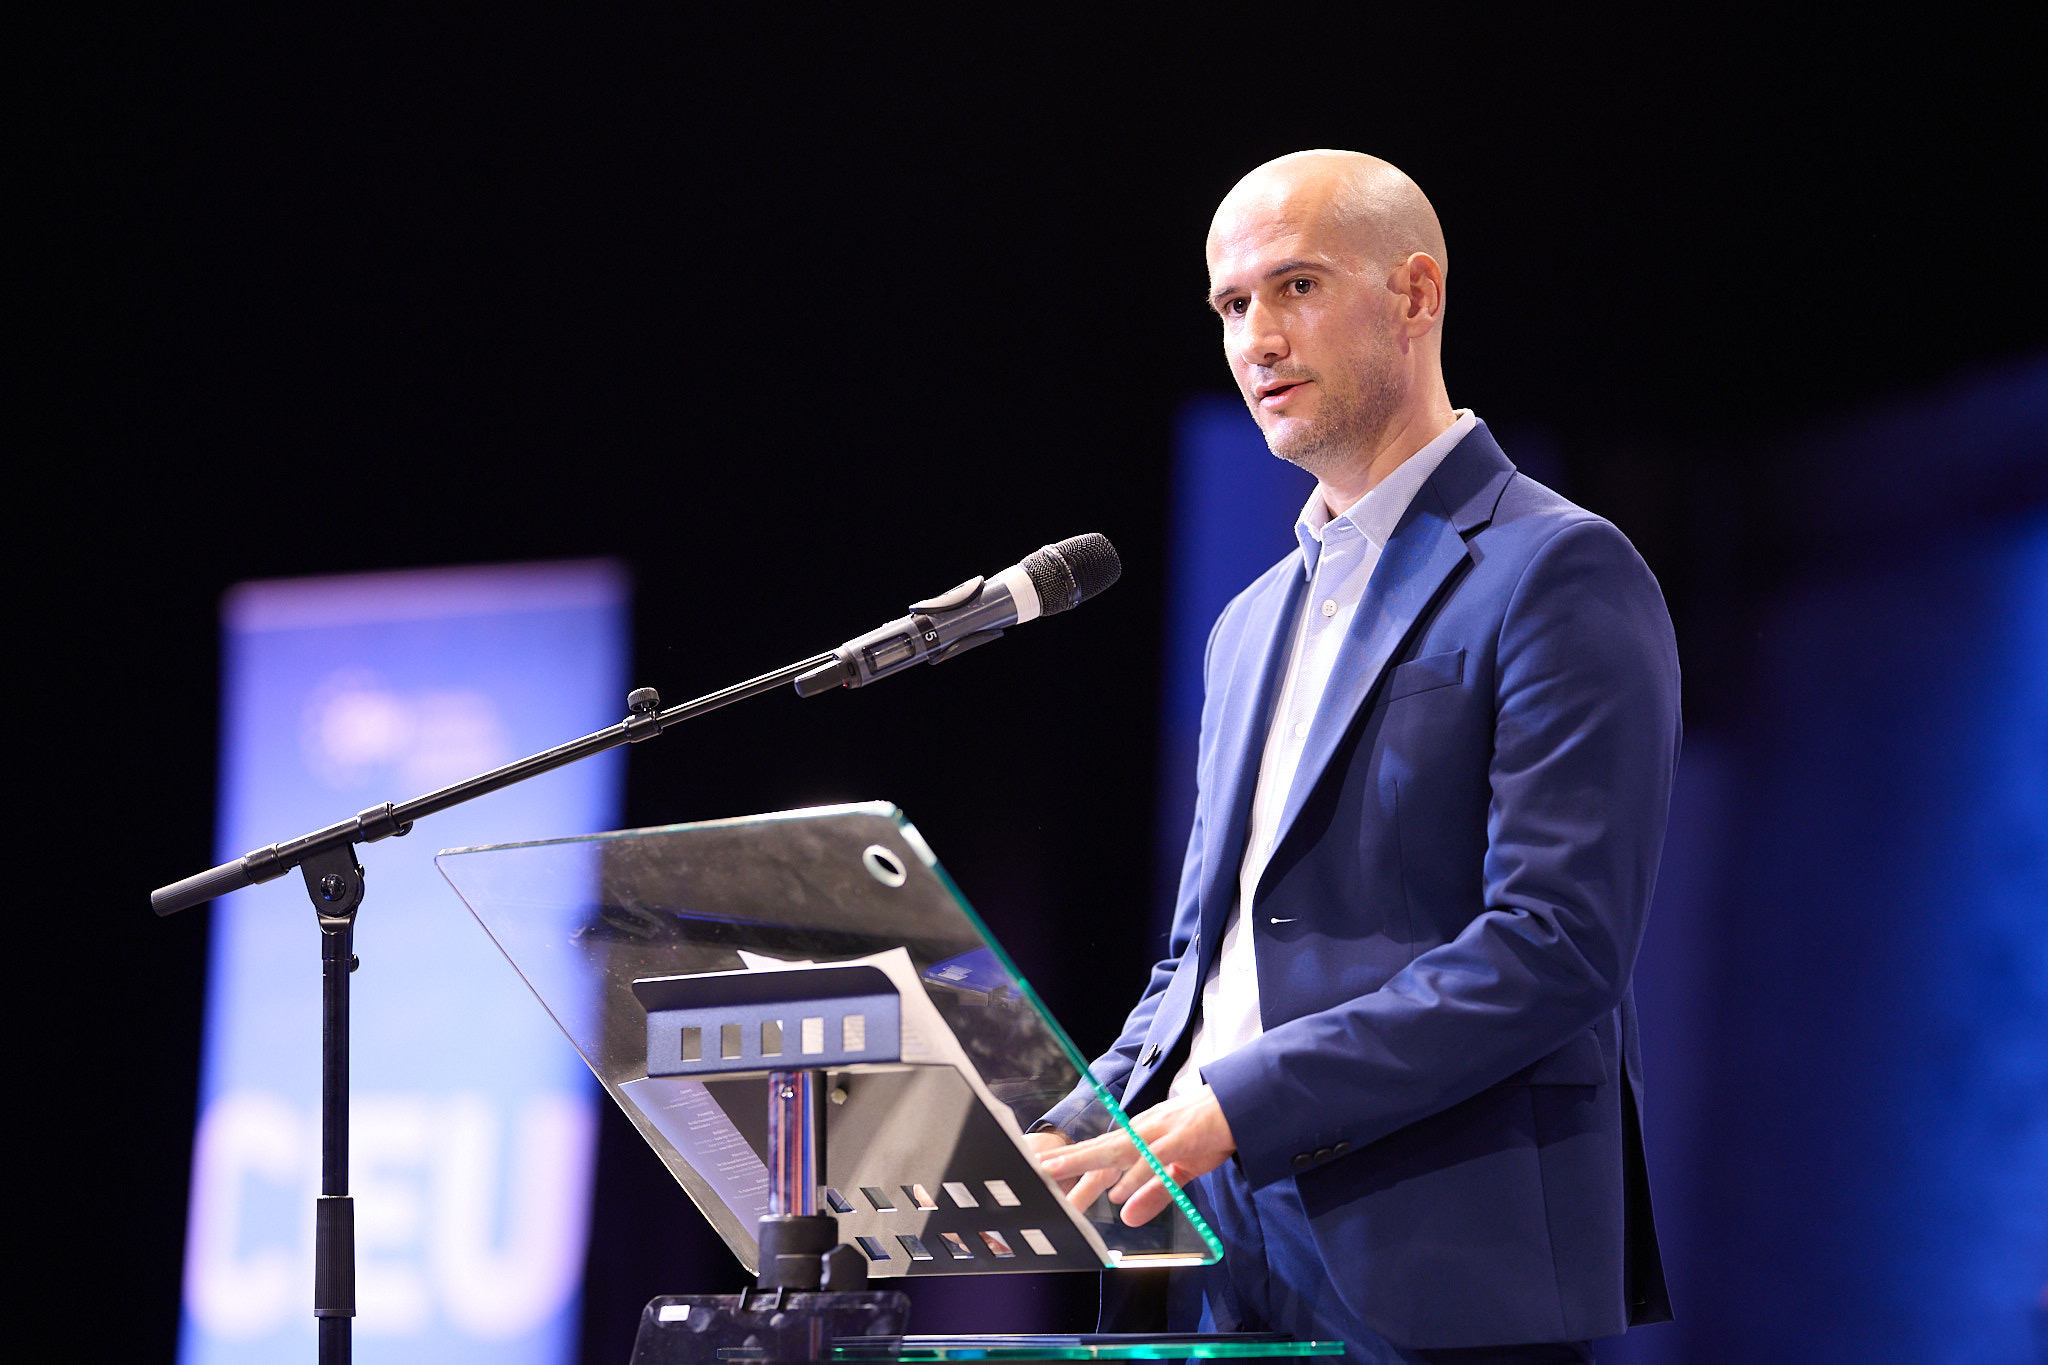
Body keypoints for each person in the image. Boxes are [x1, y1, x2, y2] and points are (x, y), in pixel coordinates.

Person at [1031, 150, 1680, 1363]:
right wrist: (1057, 1128)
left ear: (1415, 293)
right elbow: (1201, 964)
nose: (1255, 340)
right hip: (1210, 1254)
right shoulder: (1246, 625)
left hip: (1440, 1259)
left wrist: (1238, 1104)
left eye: (1294, 288)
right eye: (1230, 307)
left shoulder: (1557, 569)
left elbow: (1555, 943)